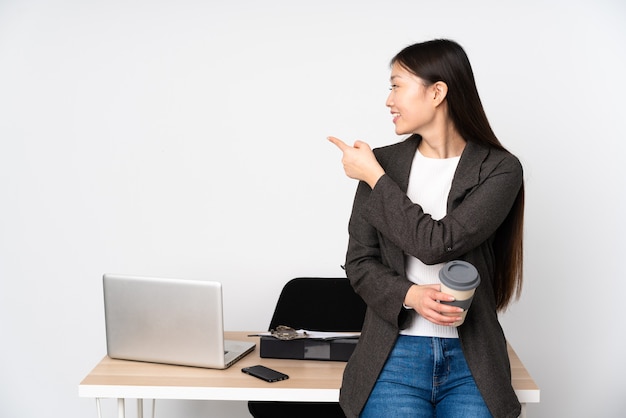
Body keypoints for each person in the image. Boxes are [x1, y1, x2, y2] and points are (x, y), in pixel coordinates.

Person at [328, 39, 525, 418]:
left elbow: (439, 244)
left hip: (473, 362)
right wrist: (409, 295)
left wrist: (374, 178)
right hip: (393, 355)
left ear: (436, 92)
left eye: (396, 85)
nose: (389, 100)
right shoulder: (384, 163)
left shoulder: (500, 169)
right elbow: (360, 262)